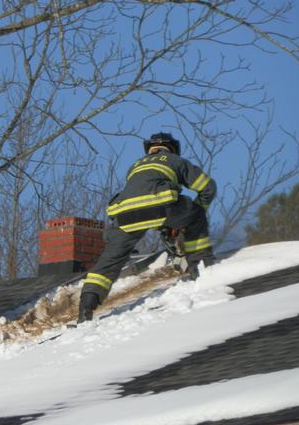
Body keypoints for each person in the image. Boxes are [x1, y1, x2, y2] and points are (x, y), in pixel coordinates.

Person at [78, 132, 217, 323]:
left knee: (109, 261)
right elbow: (208, 187)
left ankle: (85, 307)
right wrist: (191, 215)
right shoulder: (175, 160)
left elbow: (143, 199)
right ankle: (202, 268)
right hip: (162, 206)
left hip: (125, 213)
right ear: (173, 148)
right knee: (196, 214)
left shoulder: (135, 166)